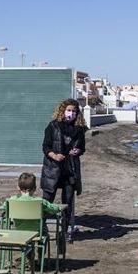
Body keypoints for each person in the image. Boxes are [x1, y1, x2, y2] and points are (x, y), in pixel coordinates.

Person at [41, 98, 86, 240]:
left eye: (74, 111)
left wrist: (77, 151)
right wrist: (54, 155)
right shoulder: (53, 126)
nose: (71, 113)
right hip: (52, 169)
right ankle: (42, 228)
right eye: (68, 110)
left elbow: (82, 148)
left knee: (67, 202)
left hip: (70, 170)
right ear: (62, 110)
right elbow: (45, 146)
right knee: (47, 201)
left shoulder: (79, 129)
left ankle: (64, 231)